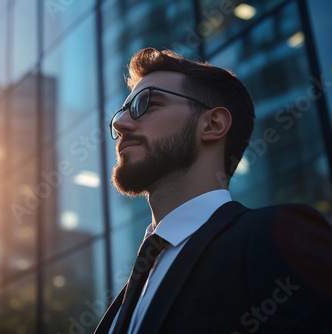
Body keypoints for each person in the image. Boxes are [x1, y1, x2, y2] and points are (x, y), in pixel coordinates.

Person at [95, 47, 332, 334]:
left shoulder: (275, 237)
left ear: (213, 124)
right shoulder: (123, 303)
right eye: (121, 113)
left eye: (146, 103)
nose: (119, 124)